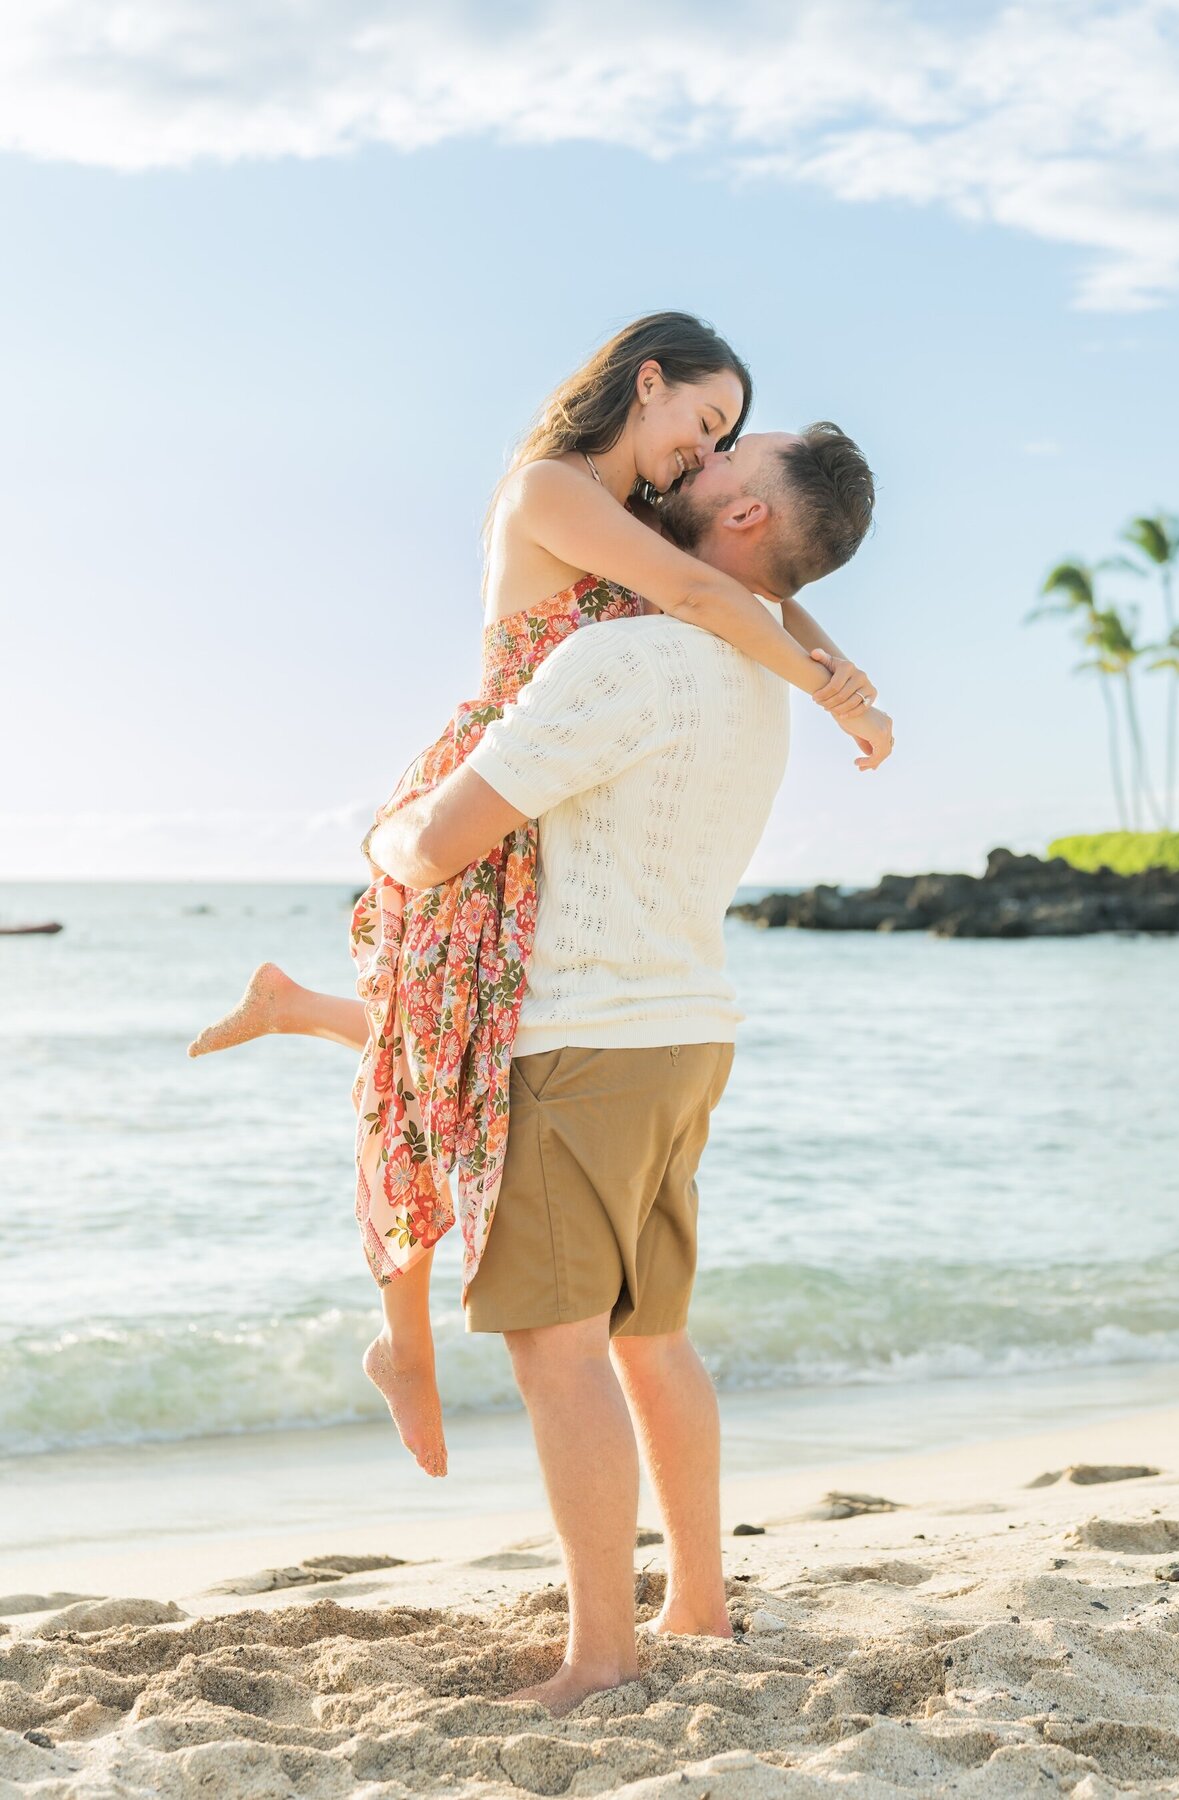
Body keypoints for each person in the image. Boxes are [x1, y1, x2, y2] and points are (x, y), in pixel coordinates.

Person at [188, 311, 892, 1484]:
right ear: (650, 383)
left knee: (458, 1037)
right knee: (439, 1046)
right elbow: (715, 594)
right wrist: (836, 696)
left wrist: (825, 642)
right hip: (498, 774)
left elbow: (747, 577)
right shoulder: (555, 489)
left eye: (725, 447)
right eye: (705, 426)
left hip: (550, 783)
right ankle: (401, 1337)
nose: (705, 459)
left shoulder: (638, 515)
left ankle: (312, 1039)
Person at [363, 424, 880, 1713]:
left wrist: (380, 836)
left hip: (583, 1036)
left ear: (748, 518)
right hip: (687, 1027)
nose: (682, 472)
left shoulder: (623, 656)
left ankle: (602, 1657)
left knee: (558, 1348)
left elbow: (439, 844)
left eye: (719, 462)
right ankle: (695, 1599)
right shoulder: (763, 679)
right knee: (651, 1335)